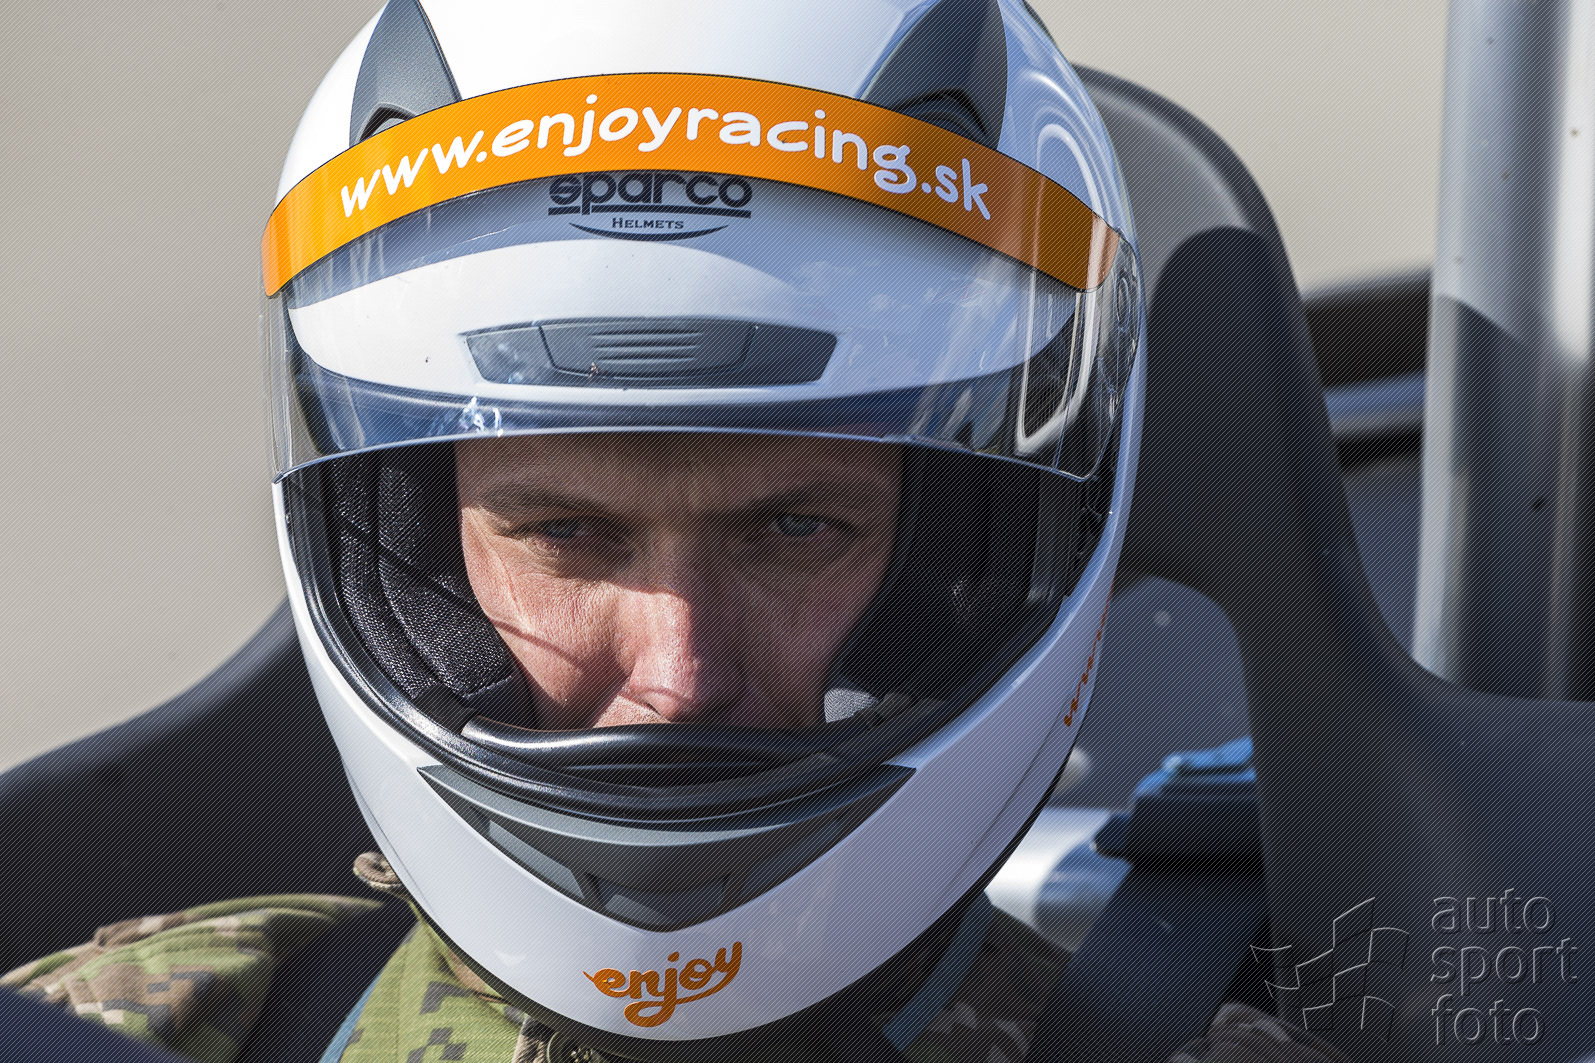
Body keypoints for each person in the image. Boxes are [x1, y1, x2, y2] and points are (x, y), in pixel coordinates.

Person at [2, 1, 1349, 1060]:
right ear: (407, 554)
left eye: (796, 528)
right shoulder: (149, 1028)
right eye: (569, 535)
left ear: (959, 559)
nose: (681, 672)